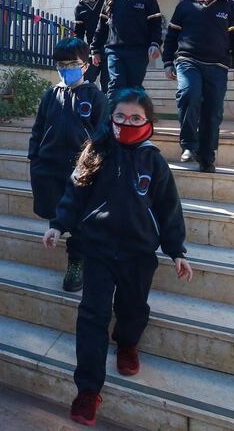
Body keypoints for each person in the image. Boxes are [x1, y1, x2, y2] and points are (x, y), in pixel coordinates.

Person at [42, 88, 193, 427]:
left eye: (135, 118)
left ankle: (127, 343)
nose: (127, 123)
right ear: (110, 119)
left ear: (147, 121)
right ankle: (88, 389)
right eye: (120, 117)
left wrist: (176, 250)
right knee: (92, 315)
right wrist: (58, 225)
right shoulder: (95, 153)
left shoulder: (153, 161)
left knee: (133, 309)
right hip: (97, 249)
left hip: (138, 254)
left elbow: (169, 209)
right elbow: (73, 196)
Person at [29, 38, 107, 292]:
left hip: (81, 170)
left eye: (72, 63)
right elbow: (38, 128)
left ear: (85, 66)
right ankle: (59, 233)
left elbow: (102, 136)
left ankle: (78, 260)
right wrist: (35, 158)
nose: (66, 69)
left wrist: (94, 165)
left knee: (80, 219)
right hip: (49, 167)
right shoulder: (50, 95)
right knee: (56, 211)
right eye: (61, 64)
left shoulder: (95, 97)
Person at [162, 0, 234, 173]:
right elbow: (172, 36)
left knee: (212, 110)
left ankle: (207, 155)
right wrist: (167, 62)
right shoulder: (185, 6)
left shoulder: (229, 7)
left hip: (217, 66)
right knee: (189, 95)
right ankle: (189, 144)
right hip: (187, 61)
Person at [90, 0, 163, 98]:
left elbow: (156, 25)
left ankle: (135, 118)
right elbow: (102, 27)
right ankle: (112, 119)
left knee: (135, 88)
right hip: (115, 52)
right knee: (116, 85)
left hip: (139, 53)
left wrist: (155, 43)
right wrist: (95, 49)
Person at [74, 0, 109, 92]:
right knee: (85, 80)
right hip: (91, 51)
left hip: (108, 49)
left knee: (108, 84)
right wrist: (78, 52)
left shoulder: (108, 2)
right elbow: (79, 32)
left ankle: (107, 109)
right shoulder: (79, 8)